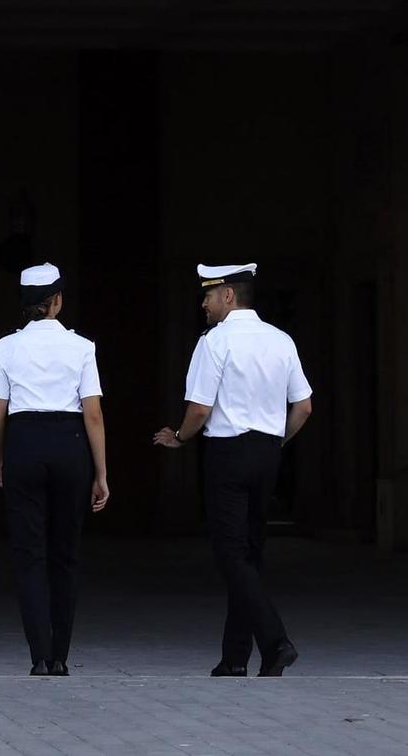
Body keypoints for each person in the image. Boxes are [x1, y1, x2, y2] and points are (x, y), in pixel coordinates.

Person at [153, 262, 312, 678]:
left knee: (229, 554)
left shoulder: (215, 342)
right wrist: (276, 441)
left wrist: (181, 438)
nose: (203, 304)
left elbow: (200, 409)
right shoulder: (282, 340)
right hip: (267, 452)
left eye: (208, 295)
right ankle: (235, 657)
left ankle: (276, 643)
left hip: (227, 453)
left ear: (228, 296)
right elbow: (304, 406)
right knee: (250, 554)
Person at [0, 263, 110, 676]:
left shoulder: (4, 347)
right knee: (66, 554)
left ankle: (39, 655)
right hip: (70, 444)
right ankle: (60, 655)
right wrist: (101, 473)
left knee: (29, 554)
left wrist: (0, 459)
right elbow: (93, 415)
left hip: (23, 442)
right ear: (57, 301)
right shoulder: (82, 347)